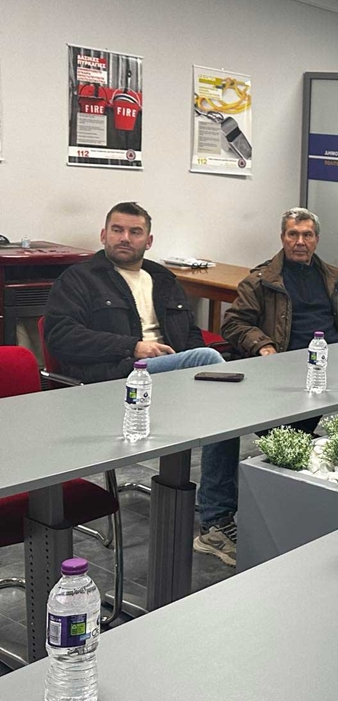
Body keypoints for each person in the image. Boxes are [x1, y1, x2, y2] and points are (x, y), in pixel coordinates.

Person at [45, 202, 240, 567]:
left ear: (148, 241)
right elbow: (60, 337)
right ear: (103, 235)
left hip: (170, 379)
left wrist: (189, 361)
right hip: (116, 381)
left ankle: (218, 518)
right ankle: (217, 517)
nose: (125, 238)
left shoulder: (162, 278)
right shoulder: (79, 279)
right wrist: (132, 346)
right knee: (212, 366)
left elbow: (190, 335)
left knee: (220, 387)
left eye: (134, 232)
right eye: (117, 230)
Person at [222, 207, 338, 358]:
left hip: (334, 356)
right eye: (293, 234)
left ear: (317, 240)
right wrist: (263, 345)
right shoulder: (260, 281)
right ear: (282, 238)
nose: (300, 242)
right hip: (286, 359)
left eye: (307, 235)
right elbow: (233, 323)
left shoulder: (333, 277)